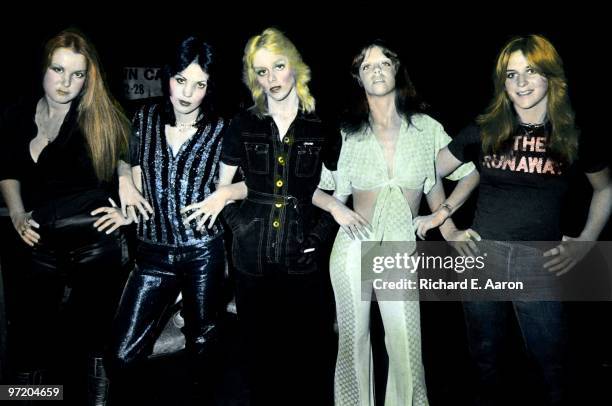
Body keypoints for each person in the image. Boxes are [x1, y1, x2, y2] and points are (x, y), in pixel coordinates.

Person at [428, 34, 612, 405]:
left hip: (539, 260)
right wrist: (447, 227)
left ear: (550, 75)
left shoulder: (574, 133)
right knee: (485, 360)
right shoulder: (484, 129)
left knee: (553, 364)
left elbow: (605, 189)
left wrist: (587, 240)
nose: (521, 83)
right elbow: (425, 172)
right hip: (481, 256)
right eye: (511, 75)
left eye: (531, 71)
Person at [314, 40, 477, 406]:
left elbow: (460, 177)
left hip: (399, 248)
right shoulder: (346, 131)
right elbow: (314, 187)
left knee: (406, 345)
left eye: (383, 63)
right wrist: (335, 209)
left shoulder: (426, 128)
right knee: (352, 341)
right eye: (367, 66)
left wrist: (445, 221)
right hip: (354, 244)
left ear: (396, 70)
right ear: (358, 77)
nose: (376, 70)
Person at [182, 27, 338, 405]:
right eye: (261, 72)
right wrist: (242, 230)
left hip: (303, 260)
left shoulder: (321, 126)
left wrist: (317, 241)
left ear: (295, 67)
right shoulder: (243, 124)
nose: (272, 79)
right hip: (251, 261)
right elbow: (224, 192)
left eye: (278, 66)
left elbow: (335, 193)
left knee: (308, 359)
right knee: (258, 360)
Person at [0, 28, 131, 404]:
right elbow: (7, 167)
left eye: (77, 74)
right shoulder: (17, 113)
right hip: (37, 244)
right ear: (43, 68)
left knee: (94, 343)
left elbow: (128, 154)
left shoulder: (98, 116)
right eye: (58, 70)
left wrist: (127, 194)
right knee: (28, 342)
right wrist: (16, 212)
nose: (66, 82)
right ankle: (30, 399)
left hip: (94, 243)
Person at [107, 36, 226, 403]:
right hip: (153, 253)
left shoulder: (223, 128)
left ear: (210, 87)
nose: (188, 92)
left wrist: (224, 193)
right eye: (180, 79)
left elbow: (251, 184)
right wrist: (125, 180)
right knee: (122, 354)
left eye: (200, 83)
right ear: (167, 77)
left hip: (202, 251)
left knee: (204, 350)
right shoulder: (143, 118)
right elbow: (124, 156)